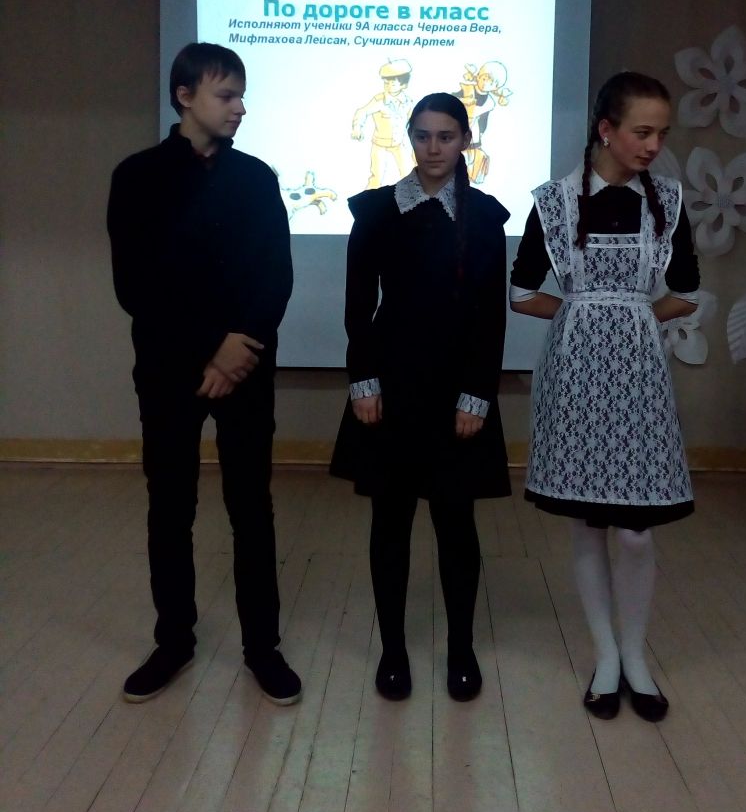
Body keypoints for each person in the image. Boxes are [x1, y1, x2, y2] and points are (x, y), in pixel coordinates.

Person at [107, 42, 300, 705]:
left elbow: (275, 273)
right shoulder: (137, 177)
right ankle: (173, 641)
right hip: (168, 368)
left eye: (242, 95)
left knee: (252, 506)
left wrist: (240, 347)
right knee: (170, 505)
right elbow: (135, 284)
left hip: (247, 367)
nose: (239, 107)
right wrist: (210, 352)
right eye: (226, 95)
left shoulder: (256, 178)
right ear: (184, 96)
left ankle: (263, 647)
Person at [510, 72, 699, 723]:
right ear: (606, 129)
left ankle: (637, 654)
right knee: (589, 523)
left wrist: (634, 314)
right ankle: (608, 656)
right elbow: (521, 291)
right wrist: (581, 313)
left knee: (637, 532)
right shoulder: (555, 201)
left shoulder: (667, 200)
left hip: (640, 375)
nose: (653, 146)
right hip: (576, 372)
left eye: (661, 134)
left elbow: (687, 291)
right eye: (642, 132)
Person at [331, 92, 510, 702]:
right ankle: (393, 652)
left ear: (464, 141)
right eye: (423, 135)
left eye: (446, 136)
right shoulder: (376, 211)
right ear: (410, 137)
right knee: (390, 521)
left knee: (456, 522)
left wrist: (477, 395)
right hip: (391, 388)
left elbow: (490, 319)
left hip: (457, 391)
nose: (433, 148)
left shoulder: (484, 217)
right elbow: (358, 307)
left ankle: (461, 649)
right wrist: (363, 382)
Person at [350, 59, 414, 189]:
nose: (389, 86)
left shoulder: (408, 102)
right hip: (379, 145)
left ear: (403, 85)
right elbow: (362, 112)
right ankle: (368, 198)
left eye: (393, 83)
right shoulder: (379, 101)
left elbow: (414, 120)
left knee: (409, 173)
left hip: (398, 144)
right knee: (376, 176)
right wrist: (357, 128)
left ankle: (415, 198)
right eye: (386, 83)